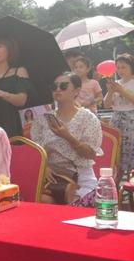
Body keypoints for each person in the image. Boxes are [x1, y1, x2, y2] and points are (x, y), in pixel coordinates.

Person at [31, 72, 102, 205]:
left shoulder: (88, 119)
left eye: (63, 86)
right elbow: (35, 152)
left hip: (79, 178)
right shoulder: (42, 120)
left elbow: (90, 154)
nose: (58, 89)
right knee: (39, 201)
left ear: (76, 91)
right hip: (51, 178)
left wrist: (67, 136)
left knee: (75, 205)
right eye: (54, 87)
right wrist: (44, 167)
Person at [104, 53, 134, 182]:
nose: (120, 70)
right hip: (116, 119)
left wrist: (121, 91)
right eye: (118, 67)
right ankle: (116, 181)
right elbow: (106, 105)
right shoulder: (116, 83)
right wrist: (111, 91)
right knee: (116, 150)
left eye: (124, 67)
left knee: (130, 149)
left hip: (131, 119)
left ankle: (130, 181)